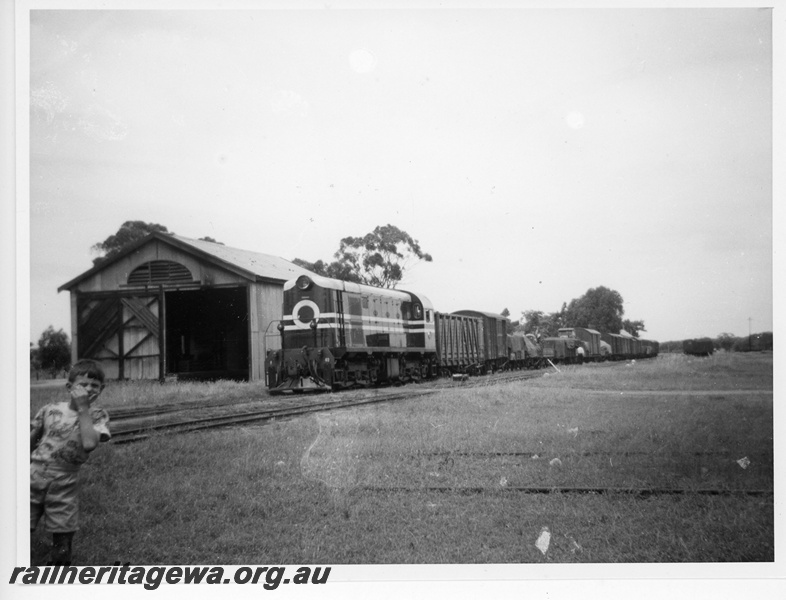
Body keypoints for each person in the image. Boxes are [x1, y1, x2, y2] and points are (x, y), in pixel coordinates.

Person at [30, 359, 111, 565]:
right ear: (69, 387)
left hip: (65, 481)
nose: (89, 389)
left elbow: (90, 443)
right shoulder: (50, 409)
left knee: (63, 533)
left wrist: (83, 409)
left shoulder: (97, 415)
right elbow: (31, 440)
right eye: (83, 384)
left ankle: (58, 573)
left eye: (95, 385)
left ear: (101, 390)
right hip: (34, 475)